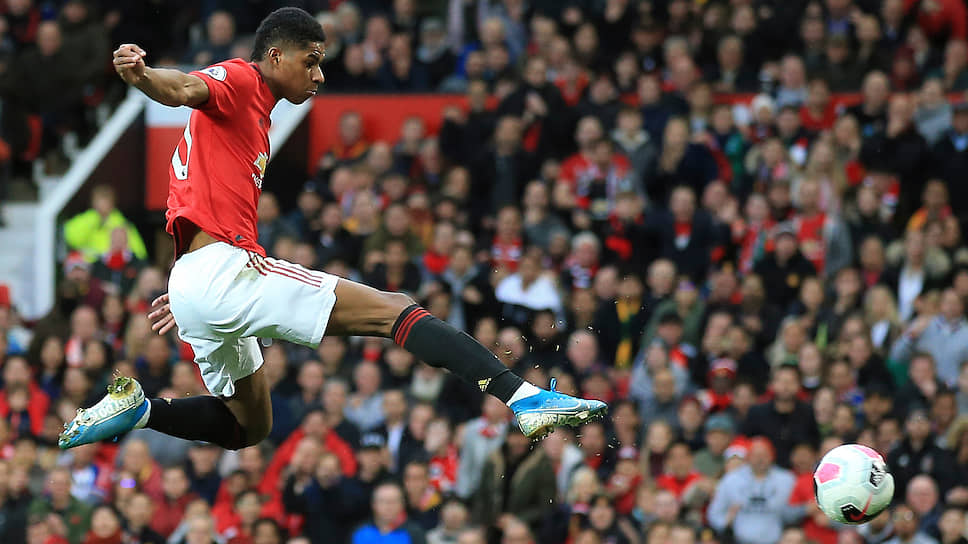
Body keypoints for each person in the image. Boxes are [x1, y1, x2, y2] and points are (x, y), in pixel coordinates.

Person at [58, 7, 605, 452]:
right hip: (220, 270)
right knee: (394, 309)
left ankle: (140, 411)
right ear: (276, 55)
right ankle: (523, 398)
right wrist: (143, 77)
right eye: (311, 61)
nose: (319, 75)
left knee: (249, 425)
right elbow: (184, 87)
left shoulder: (251, 117)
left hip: (194, 280)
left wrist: (194, 291)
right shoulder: (243, 79)